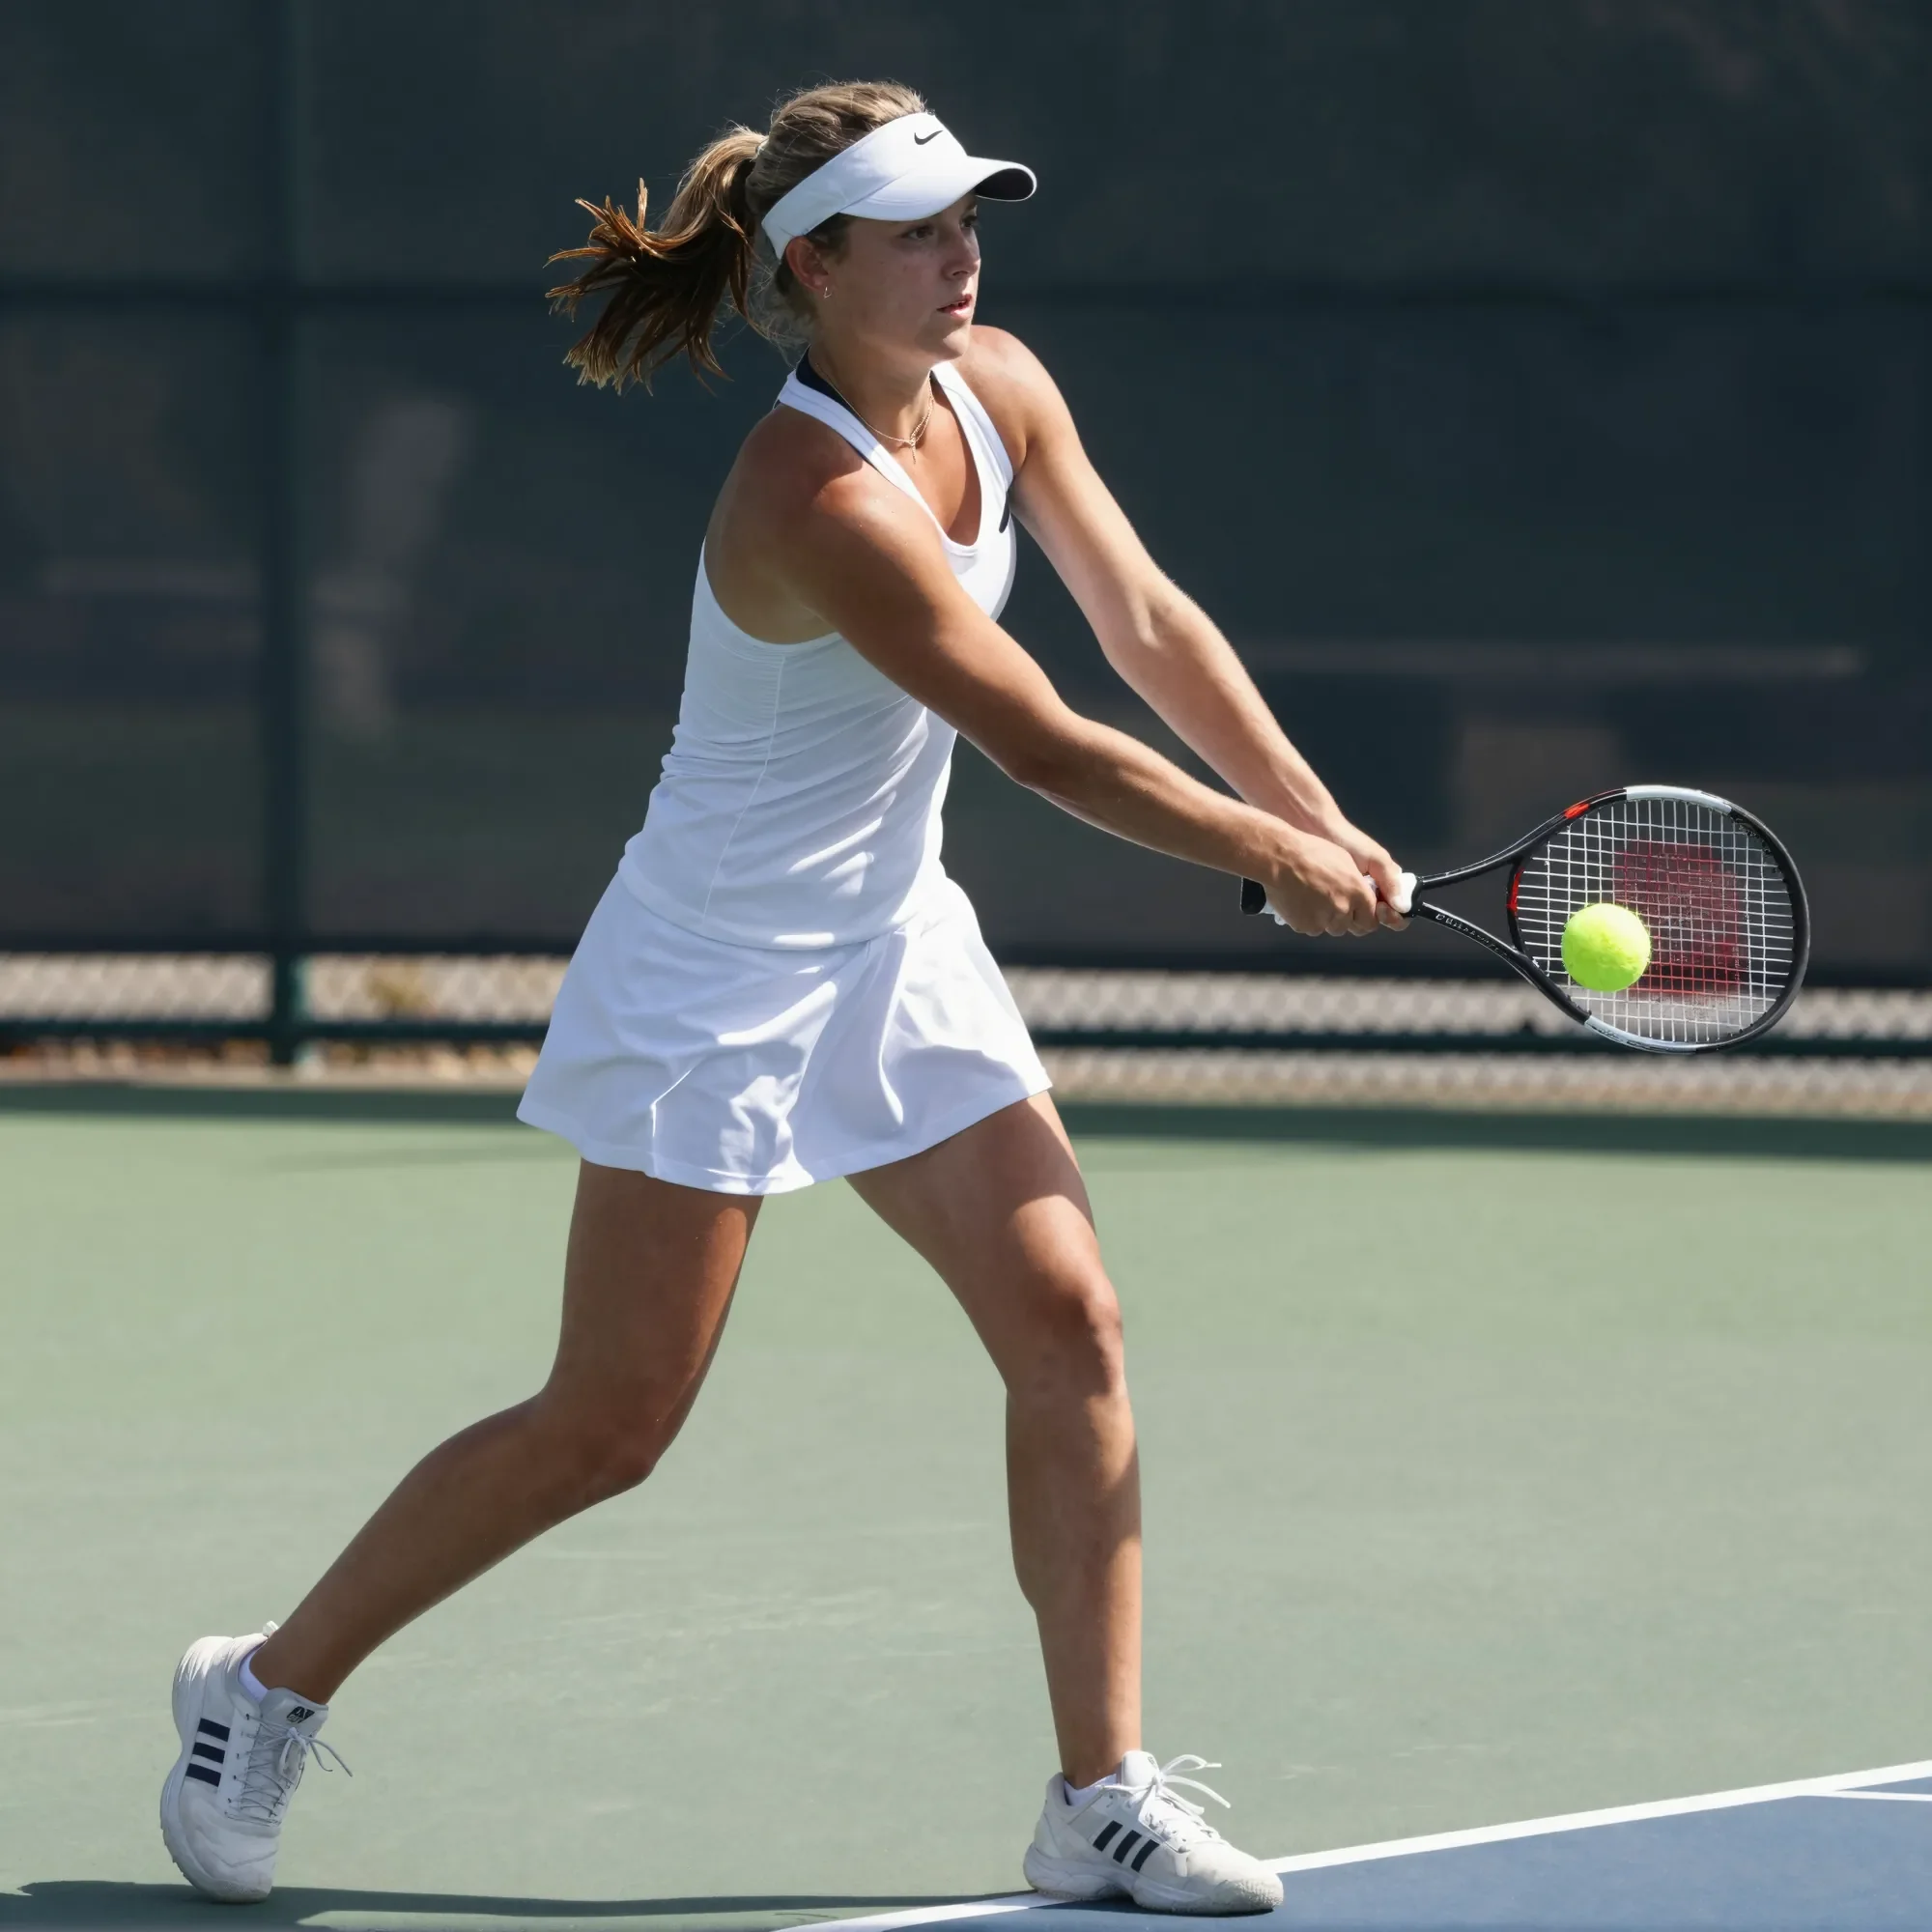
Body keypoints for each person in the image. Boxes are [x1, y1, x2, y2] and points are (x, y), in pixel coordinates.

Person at [159, 78, 1407, 1917]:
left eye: (971, 217)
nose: (961, 254)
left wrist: (1308, 809)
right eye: (916, 231)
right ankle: (260, 1688)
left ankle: (1100, 1793)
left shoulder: (1011, 389)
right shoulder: (810, 492)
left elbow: (1142, 623)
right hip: (714, 969)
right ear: (813, 267)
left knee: (1071, 1323)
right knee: (612, 1423)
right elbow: (1043, 734)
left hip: (893, 936)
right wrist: (1262, 853)